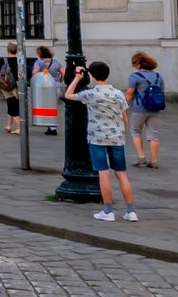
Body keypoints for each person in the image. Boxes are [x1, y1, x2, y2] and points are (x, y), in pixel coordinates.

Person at [65, 60, 138, 222]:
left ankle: (108, 210)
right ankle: (130, 210)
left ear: (91, 75)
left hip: (97, 137)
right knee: (121, 173)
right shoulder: (118, 94)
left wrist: (77, 78)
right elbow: (125, 119)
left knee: (103, 173)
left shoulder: (91, 94)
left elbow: (68, 95)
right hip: (117, 138)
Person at [127, 52, 166, 169]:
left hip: (139, 108)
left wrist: (124, 104)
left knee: (135, 131)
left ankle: (141, 156)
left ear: (139, 64)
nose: (134, 66)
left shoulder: (135, 76)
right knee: (154, 134)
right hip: (155, 108)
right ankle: (154, 160)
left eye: (134, 63)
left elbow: (130, 93)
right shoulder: (158, 76)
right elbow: (162, 91)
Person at [0, 41, 22, 135]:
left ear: (8, 50)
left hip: (7, 86)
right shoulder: (20, 60)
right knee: (13, 105)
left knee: (12, 105)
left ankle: (19, 127)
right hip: (17, 85)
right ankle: (9, 125)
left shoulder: (3, 60)